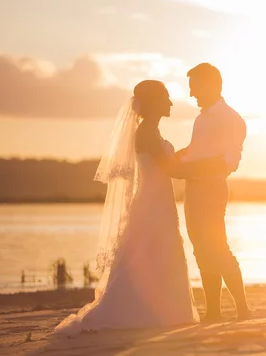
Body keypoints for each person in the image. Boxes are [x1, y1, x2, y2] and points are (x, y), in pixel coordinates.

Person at [54, 80, 221, 335]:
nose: (171, 102)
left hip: (158, 201)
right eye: (166, 97)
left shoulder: (151, 132)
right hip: (152, 205)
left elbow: (167, 163)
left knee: (157, 254)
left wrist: (191, 155)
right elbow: (171, 169)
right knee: (149, 254)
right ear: (154, 102)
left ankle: (164, 311)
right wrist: (209, 168)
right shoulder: (145, 133)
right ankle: (141, 311)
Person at [177, 63, 251, 322]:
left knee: (218, 247)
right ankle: (213, 312)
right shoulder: (202, 118)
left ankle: (242, 309)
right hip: (193, 190)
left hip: (211, 190)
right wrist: (169, 159)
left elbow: (228, 162)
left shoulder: (231, 119)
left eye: (195, 88)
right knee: (201, 249)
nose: (191, 95)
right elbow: (197, 150)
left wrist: (184, 169)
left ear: (212, 85)